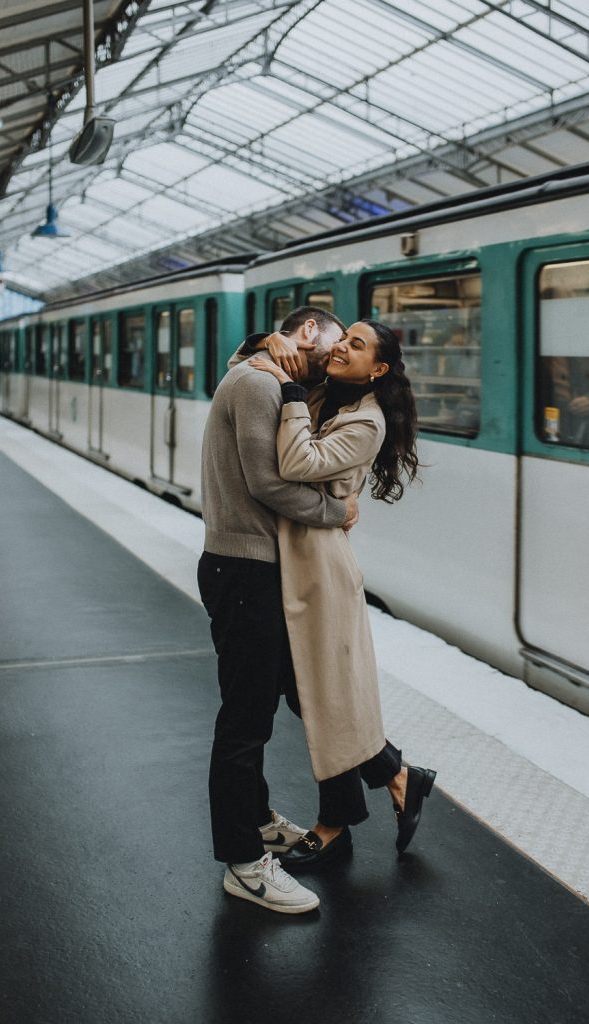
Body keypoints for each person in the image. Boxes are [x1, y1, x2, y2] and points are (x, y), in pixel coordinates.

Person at [246, 318, 436, 871]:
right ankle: (397, 777)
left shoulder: (366, 421)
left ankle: (336, 825)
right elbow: (250, 360)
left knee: (320, 695)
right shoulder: (328, 393)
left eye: (356, 345)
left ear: (378, 368)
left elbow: (296, 462)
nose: (340, 348)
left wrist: (289, 394)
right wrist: (269, 343)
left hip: (320, 568)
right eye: (341, 338)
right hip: (294, 558)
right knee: (308, 692)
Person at [197, 305, 359, 915]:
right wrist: (335, 514)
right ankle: (244, 863)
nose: (339, 357)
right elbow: (269, 483)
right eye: (338, 342)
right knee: (244, 721)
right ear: (309, 331)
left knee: (275, 701)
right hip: (245, 573)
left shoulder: (258, 371)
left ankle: (257, 821)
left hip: (245, 571)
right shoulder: (260, 383)